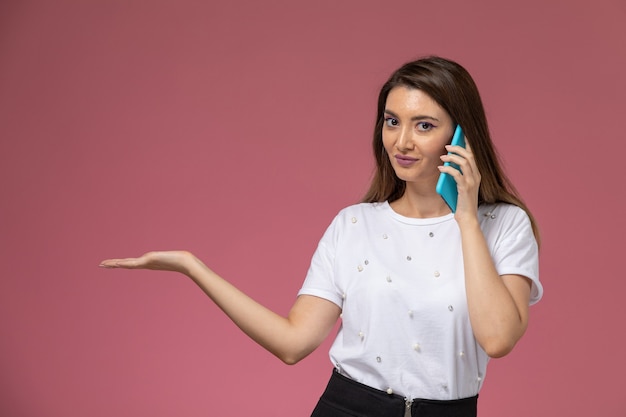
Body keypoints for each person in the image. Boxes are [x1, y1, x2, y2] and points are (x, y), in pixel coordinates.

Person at [100, 56, 543, 417]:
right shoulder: (353, 225)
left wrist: (466, 219)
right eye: (392, 122)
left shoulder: (503, 225)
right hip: (348, 408)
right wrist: (192, 266)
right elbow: (293, 344)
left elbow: (498, 338)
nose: (402, 142)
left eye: (424, 125)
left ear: (462, 135)